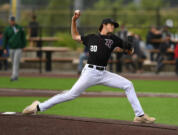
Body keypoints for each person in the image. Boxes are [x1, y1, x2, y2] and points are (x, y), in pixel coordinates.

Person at [22, 10, 155, 124]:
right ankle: (38, 107)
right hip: (90, 73)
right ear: (104, 25)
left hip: (103, 74)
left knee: (128, 84)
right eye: (111, 25)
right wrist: (74, 20)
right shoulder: (91, 38)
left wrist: (128, 48)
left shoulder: (114, 39)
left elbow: (128, 50)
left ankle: (139, 116)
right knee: (71, 95)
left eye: (114, 25)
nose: (113, 27)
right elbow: (74, 36)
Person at [3, 16, 26, 81]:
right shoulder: (7, 29)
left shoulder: (19, 28)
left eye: (12, 20)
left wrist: (24, 45)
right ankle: (16, 76)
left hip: (18, 48)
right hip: (11, 48)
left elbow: (23, 37)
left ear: (14, 21)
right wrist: (4, 48)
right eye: (10, 20)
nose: (11, 22)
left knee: (16, 62)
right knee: (13, 62)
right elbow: (5, 39)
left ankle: (13, 76)